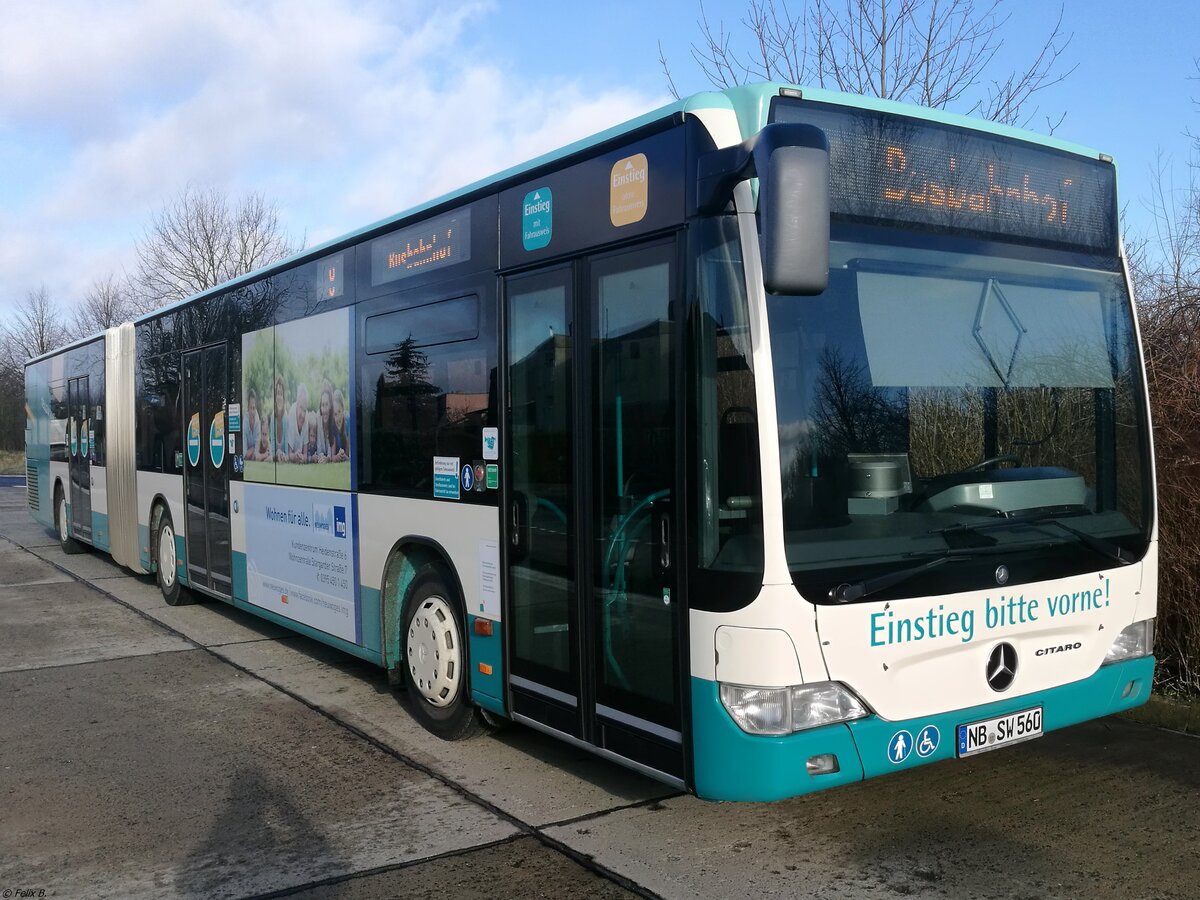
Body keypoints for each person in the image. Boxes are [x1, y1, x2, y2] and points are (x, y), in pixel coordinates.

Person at [286, 382, 309, 464]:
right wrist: (294, 456)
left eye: (304, 410)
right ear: (297, 403)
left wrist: (303, 458)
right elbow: (289, 454)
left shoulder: (306, 417)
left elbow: (305, 453)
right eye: (301, 408)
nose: (303, 414)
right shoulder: (291, 415)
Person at [329, 389, 350, 462]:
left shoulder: (348, 421)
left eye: (339, 412)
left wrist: (345, 457)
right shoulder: (332, 426)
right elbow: (332, 456)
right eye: (335, 414)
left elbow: (348, 455)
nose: (337, 418)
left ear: (343, 409)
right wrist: (337, 457)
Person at [271, 374, 288, 462]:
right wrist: (276, 454)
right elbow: (272, 442)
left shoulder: (285, 417)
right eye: (277, 393)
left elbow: (287, 450)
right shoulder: (273, 417)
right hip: (276, 457)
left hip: (284, 456)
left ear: (283, 397)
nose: (279, 397)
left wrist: (284, 455)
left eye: (281, 394)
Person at [244, 387, 262, 461]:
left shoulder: (258, 423)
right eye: (250, 408)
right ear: (248, 408)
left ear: (256, 408)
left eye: (254, 408)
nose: (252, 411)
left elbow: (256, 451)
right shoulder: (245, 422)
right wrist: (251, 451)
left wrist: (252, 451)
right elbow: (244, 454)